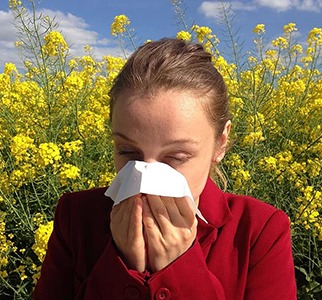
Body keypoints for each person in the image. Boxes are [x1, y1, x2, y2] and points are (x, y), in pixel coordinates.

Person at [33, 38, 297, 299]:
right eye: (128, 152)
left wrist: (179, 267)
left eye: (176, 157)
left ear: (220, 143)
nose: (145, 179)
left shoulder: (258, 231)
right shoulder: (77, 217)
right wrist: (122, 264)